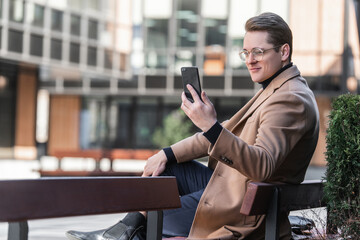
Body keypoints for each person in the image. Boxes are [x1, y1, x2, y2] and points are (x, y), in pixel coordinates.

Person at [66, 12, 319, 240]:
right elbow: (217, 134)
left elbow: (262, 165)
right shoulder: (273, 90)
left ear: (284, 52)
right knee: (166, 170)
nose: (250, 60)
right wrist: (166, 153)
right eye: (245, 52)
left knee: (157, 215)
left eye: (259, 52)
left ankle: (123, 235)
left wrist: (210, 126)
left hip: (242, 209)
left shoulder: (290, 99)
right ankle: (123, 232)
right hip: (236, 190)